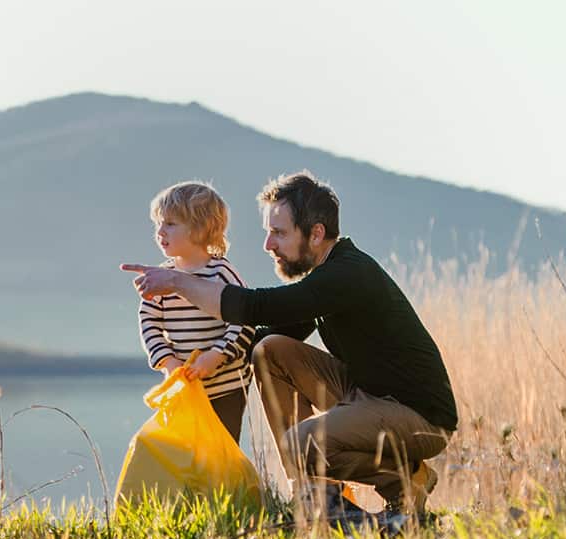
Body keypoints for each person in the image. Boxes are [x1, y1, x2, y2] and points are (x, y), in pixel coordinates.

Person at [122, 170, 457, 517]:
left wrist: (176, 281)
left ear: (316, 234)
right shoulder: (325, 278)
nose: (268, 245)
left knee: (300, 444)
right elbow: (265, 333)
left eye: (279, 233)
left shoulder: (346, 275)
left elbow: (254, 307)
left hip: (418, 418)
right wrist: (216, 355)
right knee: (270, 352)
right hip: (370, 397)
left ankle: (403, 481)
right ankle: (314, 496)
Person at [136, 181, 254, 442]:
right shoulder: (162, 277)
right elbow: (149, 321)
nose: (160, 231)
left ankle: (226, 485)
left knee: (221, 449)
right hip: (185, 384)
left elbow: (244, 322)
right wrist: (168, 362)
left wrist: (216, 355)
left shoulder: (222, 273)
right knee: (186, 451)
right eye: (159, 223)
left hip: (226, 386)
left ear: (199, 228)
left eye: (170, 224)